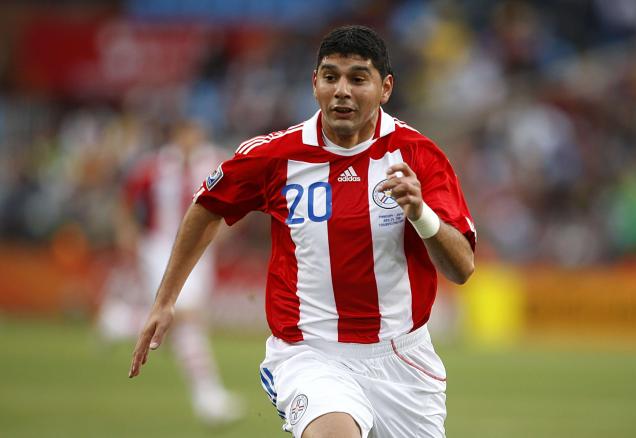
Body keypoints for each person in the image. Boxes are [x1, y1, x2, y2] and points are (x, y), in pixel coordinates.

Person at [129, 25, 476, 437]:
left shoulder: (419, 155)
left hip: (402, 360)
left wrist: (421, 214)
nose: (342, 90)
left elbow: (462, 268)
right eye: (331, 77)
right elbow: (207, 207)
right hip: (310, 353)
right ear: (315, 84)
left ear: (385, 88)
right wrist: (165, 300)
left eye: (357, 79)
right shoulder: (274, 156)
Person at [105, 120, 243, 424]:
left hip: (200, 251)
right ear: (176, 135)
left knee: (184, 323)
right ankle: (209, 397)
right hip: (159, 247)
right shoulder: (153, 167)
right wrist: (126, 231)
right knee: (187, 313)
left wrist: (224, 234)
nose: (192, 139)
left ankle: (122, 321)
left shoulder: (213, 162)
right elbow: (126, 199)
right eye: (186, 133)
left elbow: (241, 197)